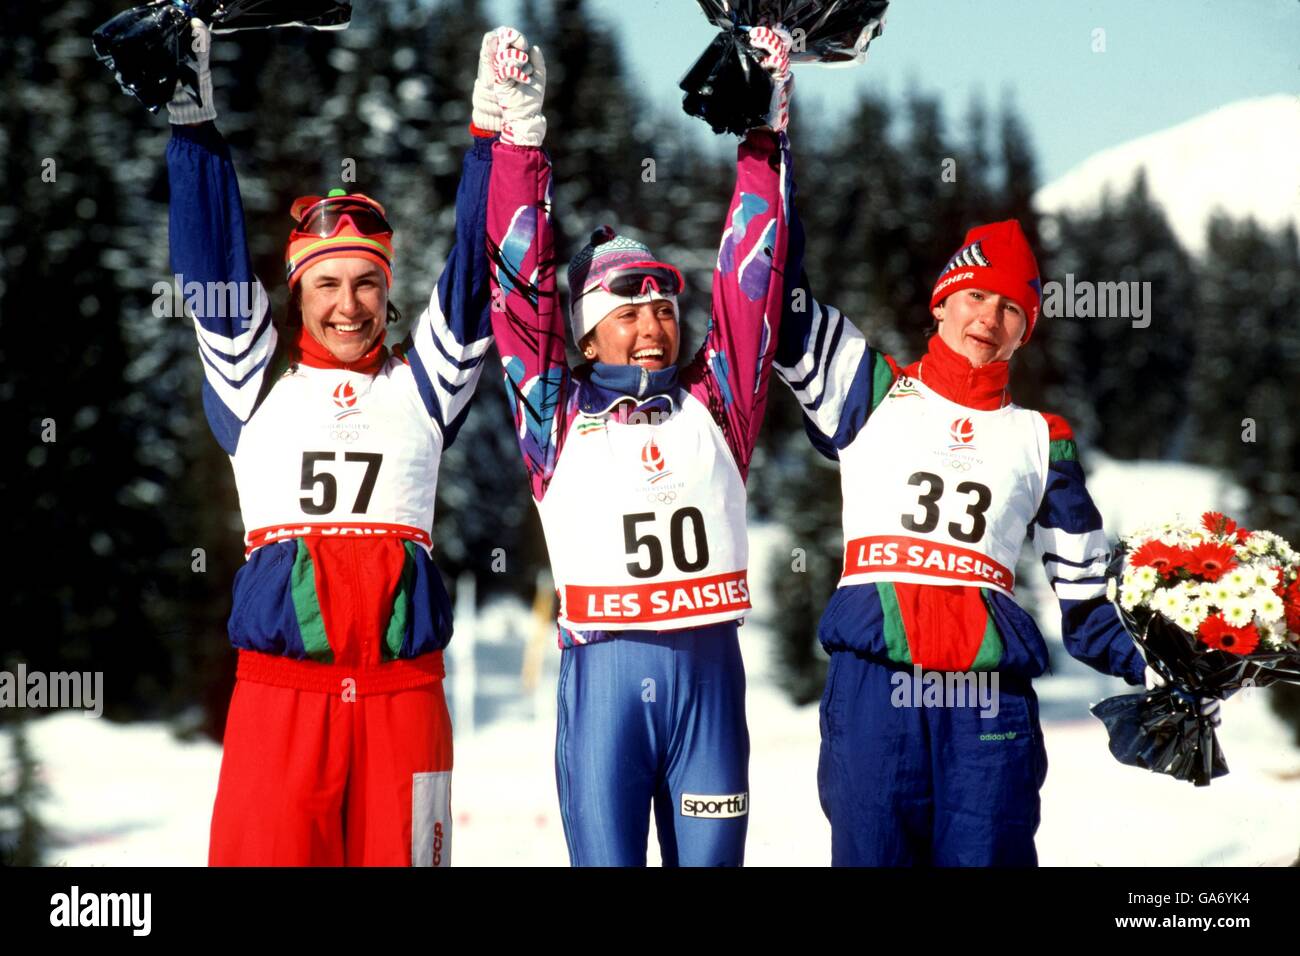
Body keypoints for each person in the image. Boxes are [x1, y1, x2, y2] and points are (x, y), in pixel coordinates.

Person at [165, 20, 516, 866]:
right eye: (326, 282)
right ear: (296, 293)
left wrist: (489, 141)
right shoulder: (255, 385)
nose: (348, 304)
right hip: (281, 701)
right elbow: (211, 263)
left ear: (388, 293)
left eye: (367, 282)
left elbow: (473, 278)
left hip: (406, 702)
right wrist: (190, 116)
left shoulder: (423, 387)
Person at [773, 211, 1178, 865]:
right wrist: (771, 161)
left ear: (1025, 332)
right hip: (876, 686)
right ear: (941, 303)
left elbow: (1087, 601)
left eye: (1011, 308)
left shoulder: (1044, 440)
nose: (988, 318)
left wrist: (1172, 662)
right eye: (975, 296)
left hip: (987, 705)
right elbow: (783, 311)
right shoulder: (869, 390)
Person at [484, 26, 795, 866]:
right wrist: (519, 143)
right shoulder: (555, 413)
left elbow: (750, 280)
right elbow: (518, 299)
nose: (654, 325)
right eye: (627, 312)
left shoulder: (716, 402)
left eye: (663, 307)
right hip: (604, 691)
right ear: (587, 336)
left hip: (710, 689)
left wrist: (764, 139)